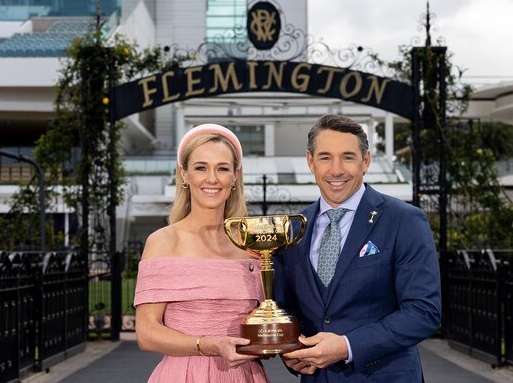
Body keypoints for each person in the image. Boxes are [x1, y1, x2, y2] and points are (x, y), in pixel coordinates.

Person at [275, 114, 441, 382]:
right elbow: (285, 309)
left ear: (365, 161)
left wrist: (346, 346)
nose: (336, 170)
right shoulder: (292, 230)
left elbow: (423, 312)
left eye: (348, 157)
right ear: (310, 162)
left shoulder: (404, 220)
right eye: (325, 157)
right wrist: (291, 349)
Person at [134, 124, 268, 383]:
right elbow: (146, 333)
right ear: (184, 174)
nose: (212, 179)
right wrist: (209, 344)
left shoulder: (252, 245)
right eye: (201, 167)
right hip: (182, 376)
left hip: (245, 376)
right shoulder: (163, 242)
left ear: (235, 176)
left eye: (222, 168)